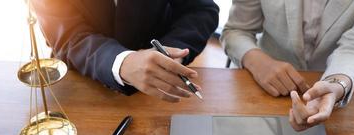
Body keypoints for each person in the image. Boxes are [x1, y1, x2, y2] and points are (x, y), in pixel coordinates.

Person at [221, 0, 354, 131]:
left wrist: (337, 84)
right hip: (264, 90)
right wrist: (258, 62)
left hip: (344, 94)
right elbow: (236, 30)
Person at [31, 0, 219, 102]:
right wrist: (121, 62)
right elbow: (69, 36)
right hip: (81, 84)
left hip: (158, 92)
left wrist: (171, 53)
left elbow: (201, 10)